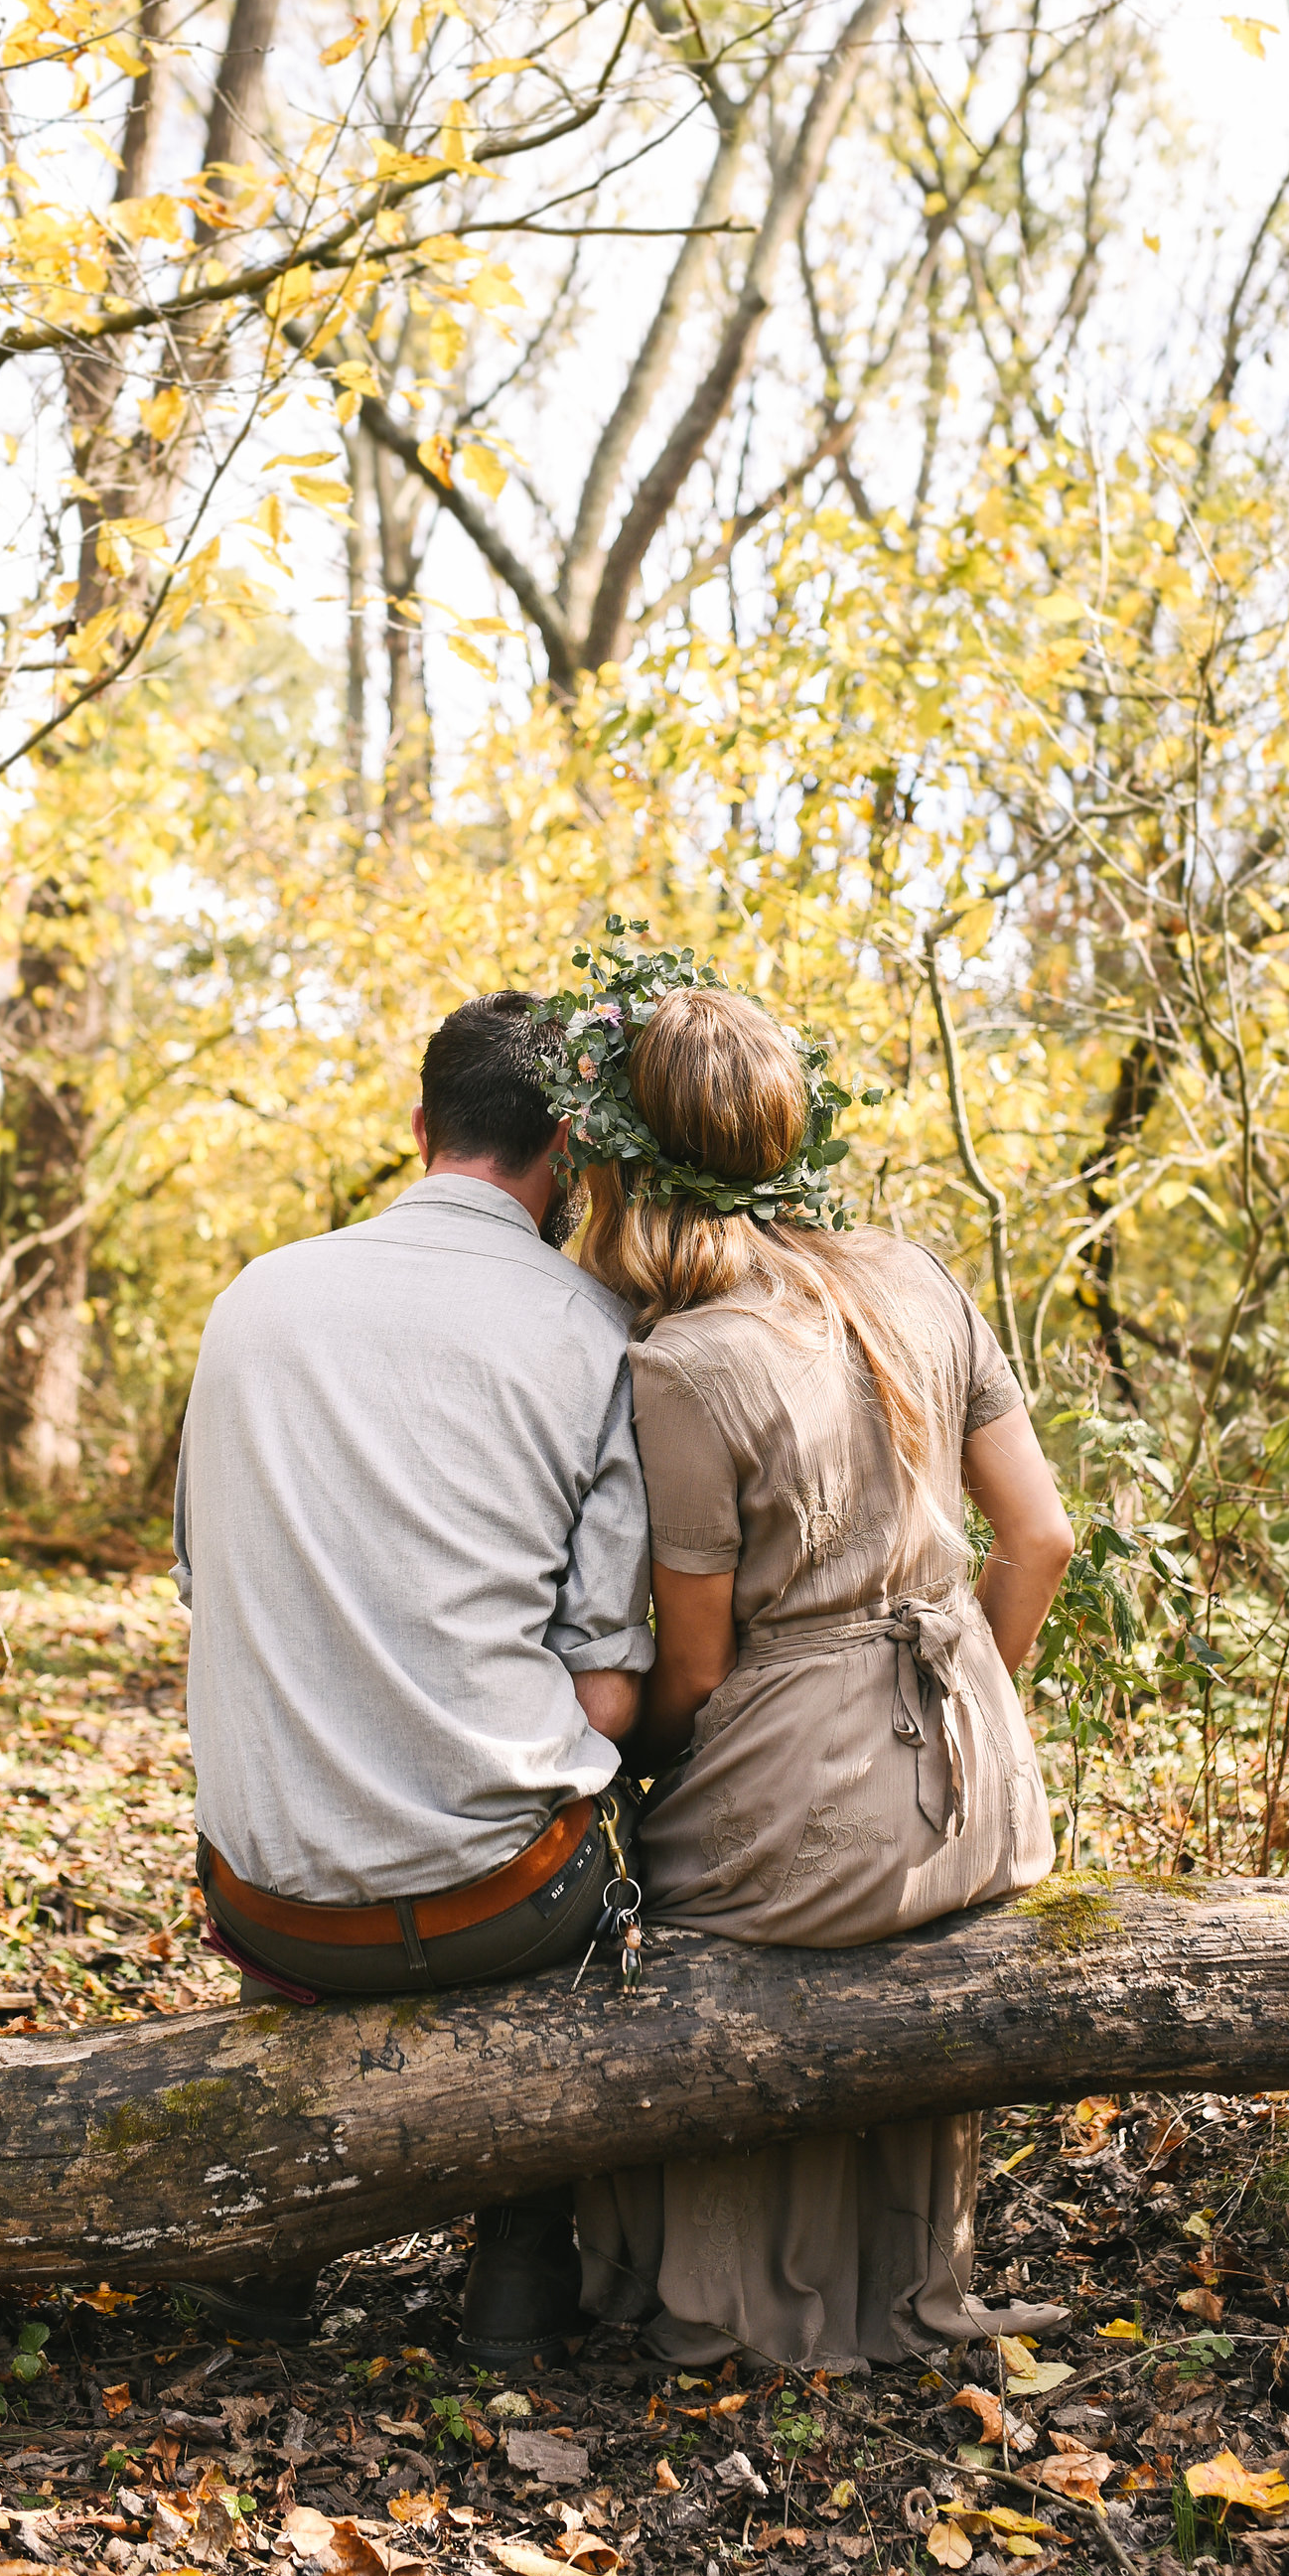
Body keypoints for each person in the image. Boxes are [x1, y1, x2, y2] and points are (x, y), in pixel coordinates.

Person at [555, 953, 1074, 2369]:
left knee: (647, 1911)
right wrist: (969, 1706)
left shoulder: (684, 1364)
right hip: (982, 1788)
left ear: (622, 1159)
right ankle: (899, 2280)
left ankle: (732, 2301)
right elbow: (1042, 1539)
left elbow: (702, 1673)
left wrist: (623, 1778)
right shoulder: (914, 1276)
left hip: (810, 1793)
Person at [172, 990, 653, 2360]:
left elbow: (214, 1593)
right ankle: (519, 2269)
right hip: (498, 1911)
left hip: (273, 1907)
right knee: (605, 1806)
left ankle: (272, 2255)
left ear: (419, 1124)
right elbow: (606, 1698)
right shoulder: (594, 1330)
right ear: (570, 1144)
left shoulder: (254, 1302)